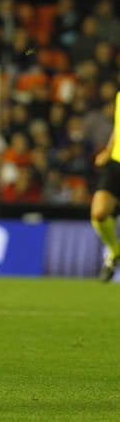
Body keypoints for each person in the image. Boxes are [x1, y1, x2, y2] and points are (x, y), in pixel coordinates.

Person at [91, 90, 120, 282]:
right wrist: (108, 151)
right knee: (99, 213)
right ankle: (115, 251)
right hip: (117, 162)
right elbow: (118, 128)